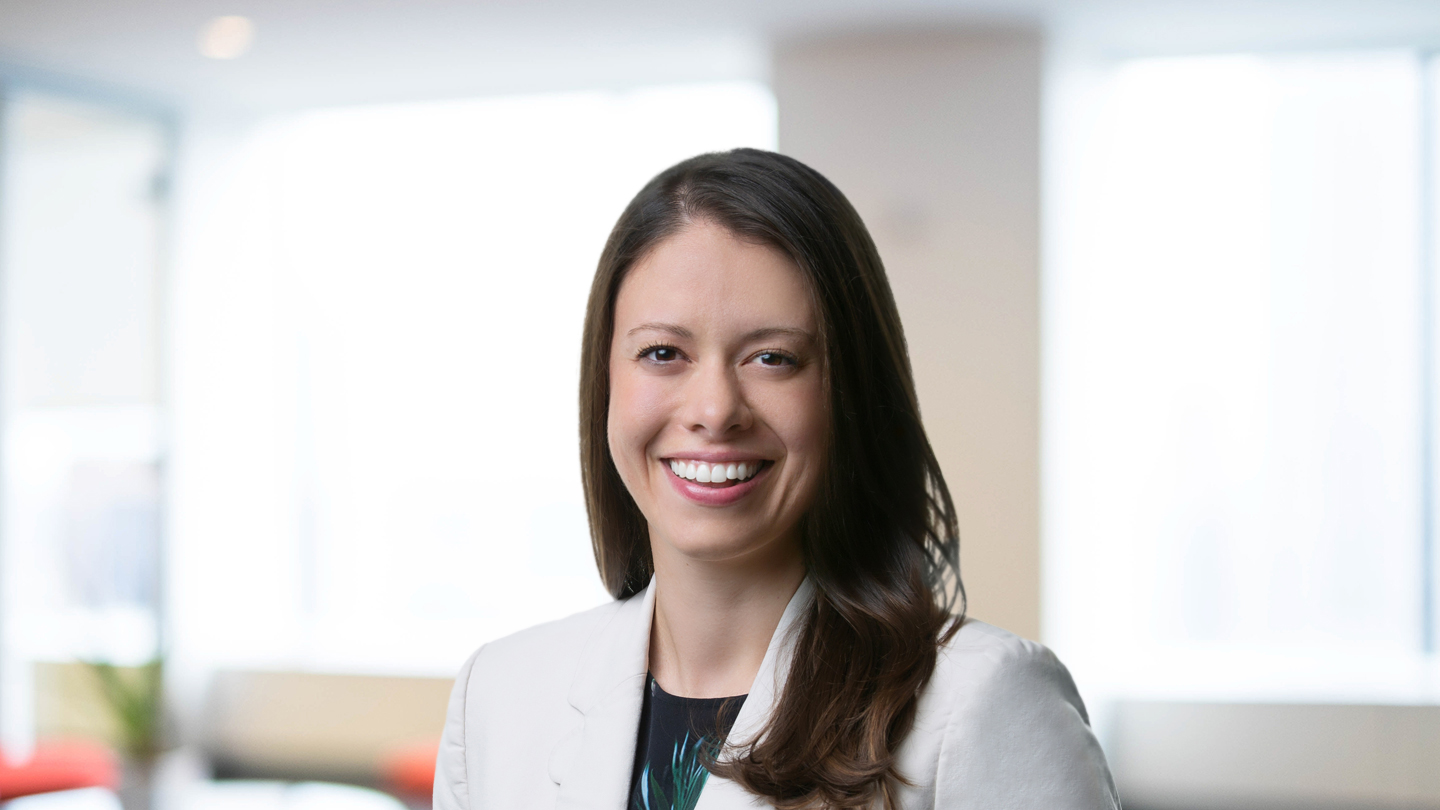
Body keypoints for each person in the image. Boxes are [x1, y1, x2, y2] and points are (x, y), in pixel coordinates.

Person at [432, 149, 1120, 810]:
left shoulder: (981, 702)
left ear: (850, 391)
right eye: (663, 352)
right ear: (604, 379)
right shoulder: (500, 694)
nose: (714, 411)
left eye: (773, 358)